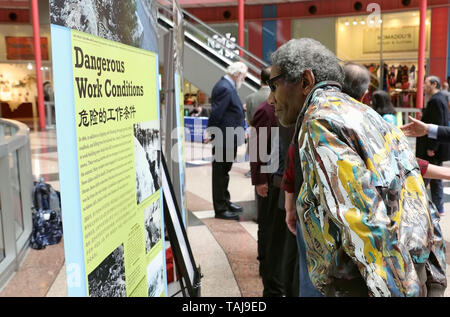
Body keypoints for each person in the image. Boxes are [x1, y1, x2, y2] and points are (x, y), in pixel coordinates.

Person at [269, 38, 446, 296]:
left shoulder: (318, 121)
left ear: (305, 81)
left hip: (371, 283)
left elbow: (364, 221)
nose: (271, 99)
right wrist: (436, 279)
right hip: (411, 271)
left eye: (274, 86)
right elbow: (419, 197)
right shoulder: (365, 113)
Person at [207, 61, 248, 220]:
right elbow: (217, 114)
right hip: (223, 139)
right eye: (243, 77)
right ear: (237, 74)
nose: (243, 80)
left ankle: (225, 200)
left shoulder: (229, 86)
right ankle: (220, 208)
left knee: (224, 172)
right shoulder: (224, 87)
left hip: (228, 138)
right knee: (220, 174)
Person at [415, 75, 450, 215]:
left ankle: (435, 208)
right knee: (432, 178)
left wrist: (432, 147)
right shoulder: (439, 99)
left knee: (429, 177)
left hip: (432, 149)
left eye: (426, 83)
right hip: (433, 146)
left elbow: (438, 123)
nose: (423, 86)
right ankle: (437, 208)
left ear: (434, 84)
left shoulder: (436, 100)